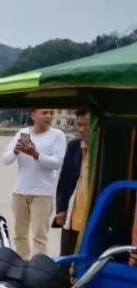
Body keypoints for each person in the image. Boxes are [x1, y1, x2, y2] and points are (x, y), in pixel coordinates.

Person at [3, 108, 67, 258]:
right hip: (20, 192)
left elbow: (57, 163)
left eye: (51, 113)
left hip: (42, 193)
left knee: (40, 237)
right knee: (20, 235)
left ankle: (37, 271)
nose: (49, 116)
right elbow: (6, 160)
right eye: (44, 113)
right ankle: (22, 266)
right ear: (33, 115)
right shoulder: (22, 133)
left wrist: (35, 154)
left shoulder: (58, 135)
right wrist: (15, 151)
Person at [55, 109, 91, 256]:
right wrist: (61, 208)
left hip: (91, 220)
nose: (82, 129)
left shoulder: (105, 148)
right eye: (79, 125)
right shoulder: (74, 146)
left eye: (86, 125)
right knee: (66, 260)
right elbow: (65, 180)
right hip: (72, 216)